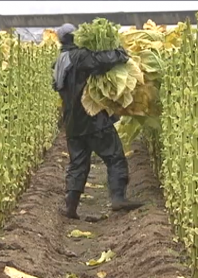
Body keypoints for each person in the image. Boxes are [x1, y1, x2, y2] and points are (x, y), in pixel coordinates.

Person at [52, 23, 144, 219]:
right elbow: (100, 60)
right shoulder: (78, 56)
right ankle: (118, 199)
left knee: (78, 163)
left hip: (72, 122)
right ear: (74, 38)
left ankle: (71, 206)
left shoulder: (60, 60)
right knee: (115, 156)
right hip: (93, 119)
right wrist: (120, 53)